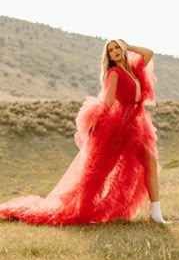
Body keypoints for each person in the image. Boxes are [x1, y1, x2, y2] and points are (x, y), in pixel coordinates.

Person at [0, 39, 169, 225]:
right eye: (111, 50)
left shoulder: (134, 69)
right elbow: (107, 102)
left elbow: (148, 53)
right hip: (120, 127)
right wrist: (98, 125)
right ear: (109, 56)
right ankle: (80, 210)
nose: (115, 52)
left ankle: (156, 212)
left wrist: (128, 46)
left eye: (116, 48)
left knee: (149, 162)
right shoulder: (114, 73)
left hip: (136, 125)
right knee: (98, 172)